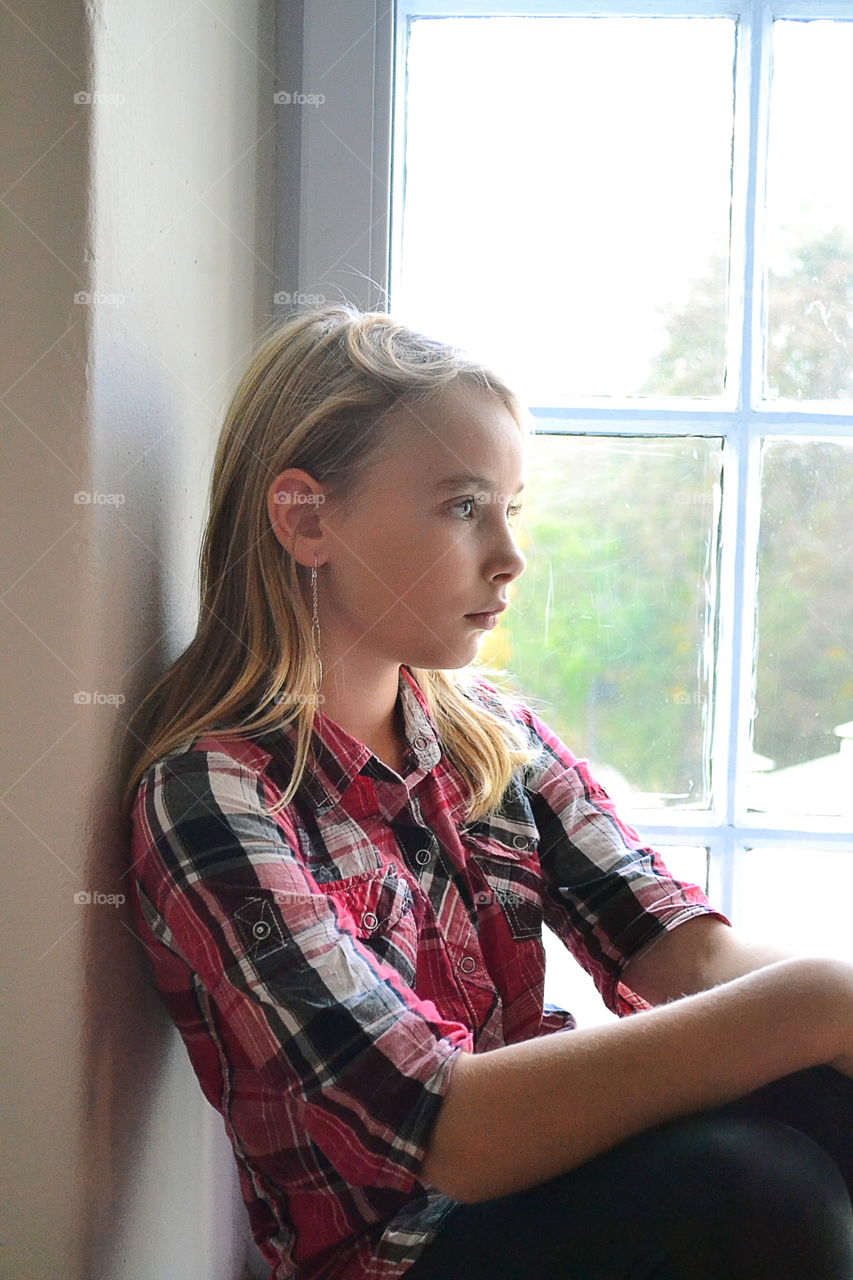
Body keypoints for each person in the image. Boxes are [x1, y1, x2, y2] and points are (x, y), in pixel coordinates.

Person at [122, 303, 853, 1280]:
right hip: (403, 1251)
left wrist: (831, 1009)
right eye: (464, 506)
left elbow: (682, 947)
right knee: (759, 1192)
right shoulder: (211, 798)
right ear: (307, 517)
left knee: (819, 1094)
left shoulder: (489, 737)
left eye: (514, 506)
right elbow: (443, 1124)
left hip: (540, 1189)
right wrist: (809, 1002)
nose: (510, 553)